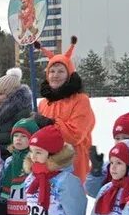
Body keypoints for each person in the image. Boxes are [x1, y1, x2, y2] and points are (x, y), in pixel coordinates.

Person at [35, 36, 95, 180]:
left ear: (69, 75)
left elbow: (75, 135)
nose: (55, 75)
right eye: (52, 71)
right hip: (46, 166)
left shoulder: (81, 100)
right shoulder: (43, 103)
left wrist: (50, 123)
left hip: (72, 166)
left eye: (61, 71)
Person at [0, 67, 34, 153]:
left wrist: (4, 148)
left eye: (1, 94)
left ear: (11, 95)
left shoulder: (21, 112)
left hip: (10, 155)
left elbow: (18, 141)